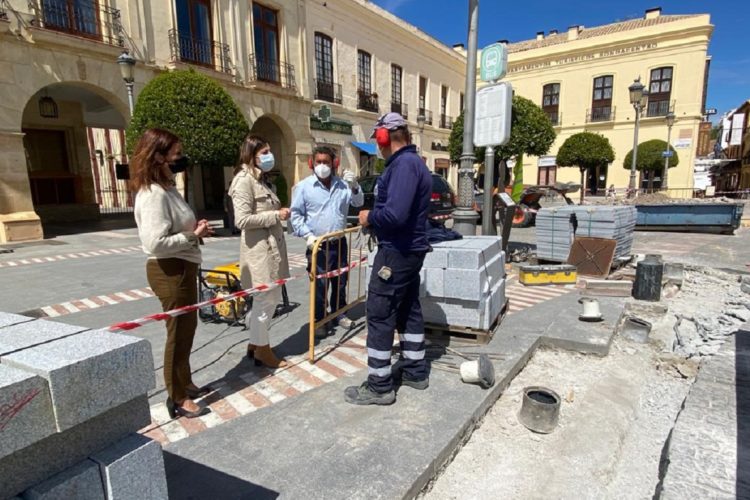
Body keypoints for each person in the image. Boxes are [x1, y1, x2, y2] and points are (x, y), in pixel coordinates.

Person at [344, 112, 432, 406]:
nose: (378, 148)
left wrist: (370, 217)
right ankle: (415, 371)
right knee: (408, 309)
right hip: (409, 251)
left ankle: (380, 385)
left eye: (378, 140)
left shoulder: (404, 166)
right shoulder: (412, 163)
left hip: (396, 252)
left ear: (384, 137)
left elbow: (395, 215)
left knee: (380, 313)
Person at [132, 128, 212, 419]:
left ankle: (185, 382)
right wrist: (192, 236)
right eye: (176, 154)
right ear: (159, 157)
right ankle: (177, 397)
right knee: (177, 335)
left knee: (187, 330)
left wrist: (193, 231)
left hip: (181, 267)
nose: (181, 159)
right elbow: (155, 242)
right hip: (169, 270)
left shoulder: (167, 188)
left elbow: (175, 228)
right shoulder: (153, 194)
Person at [229, 134, 291, 368]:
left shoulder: (259, 180)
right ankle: (263, 351)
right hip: (259, 252)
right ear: (251, 155)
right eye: (264, 152)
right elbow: (242, 220)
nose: (269, 156)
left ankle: (255, 344)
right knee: (267, 299)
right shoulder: (244, 180)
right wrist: (275, 215)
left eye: (269, 151)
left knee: (265, 300)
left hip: (270, 249)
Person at [290, 146, 364, 338]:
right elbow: (295, 215)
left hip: (339, 243)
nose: (322, 166)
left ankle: (339, 313)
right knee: (320, 285)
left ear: (334, 164)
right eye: (319, 162)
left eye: (326, 162)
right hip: (318, 245)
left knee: (340, 281)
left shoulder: (342, 186)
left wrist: (355, 185)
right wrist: (308, 236)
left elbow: (358, 203)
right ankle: (320, 319)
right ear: (312, 163)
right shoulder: (304, 187)